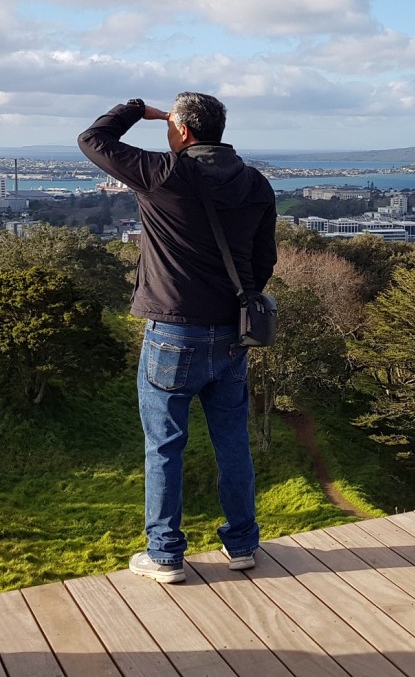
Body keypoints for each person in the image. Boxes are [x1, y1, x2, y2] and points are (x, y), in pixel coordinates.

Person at [79, 94, 276, 581]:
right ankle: (242, 545)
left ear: (183, 130)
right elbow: (263, 259)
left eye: (171, 125)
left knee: (165, 444)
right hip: (234, 333)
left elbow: (93, 140)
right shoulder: (254, 182)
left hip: (172, 331)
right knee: (233, 442)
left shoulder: (164, 174)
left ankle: (165, 554)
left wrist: (137, 109)